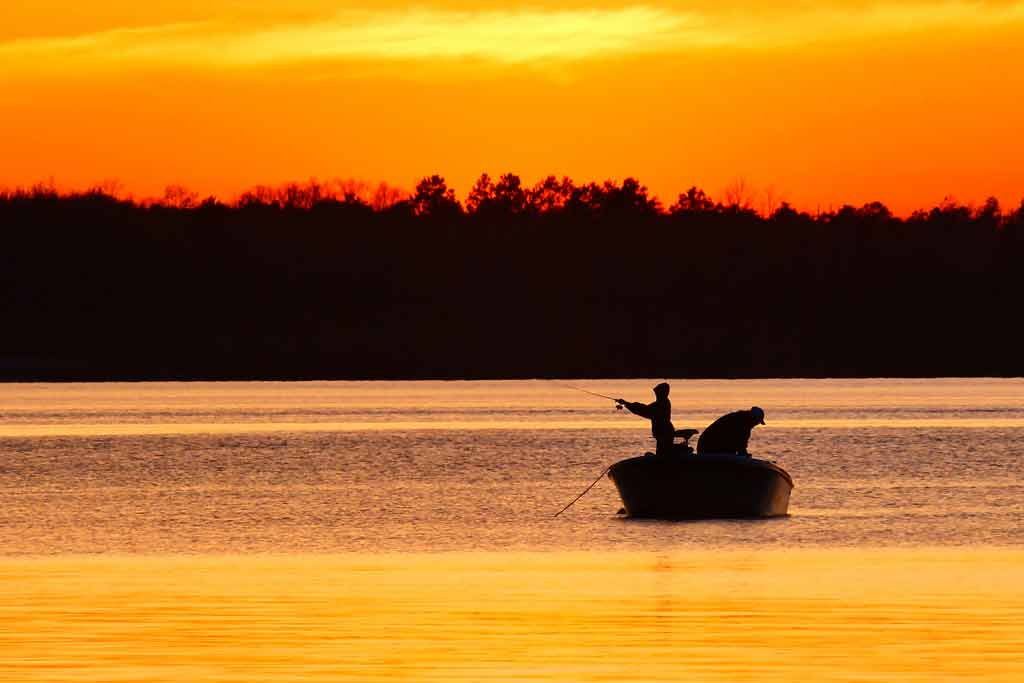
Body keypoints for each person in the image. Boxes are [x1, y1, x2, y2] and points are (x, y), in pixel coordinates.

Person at [616, 383, 675, 456]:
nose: (656, 395)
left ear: (662, 393)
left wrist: (626, 403)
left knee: (663, 455)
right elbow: (643, 408)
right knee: (662, 454)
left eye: (657, 393)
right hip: (664, 433)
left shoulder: (661, 404)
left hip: (665, 433)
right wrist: (626, 403)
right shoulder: (660, 403)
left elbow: (644, 410)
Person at [696, 406, 765, 455]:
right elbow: (740, 444)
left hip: (704, 447)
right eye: (757, 422)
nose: (756, 424)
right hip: (710, 448)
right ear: (753, 418)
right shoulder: (742, 423)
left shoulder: (737, 417)